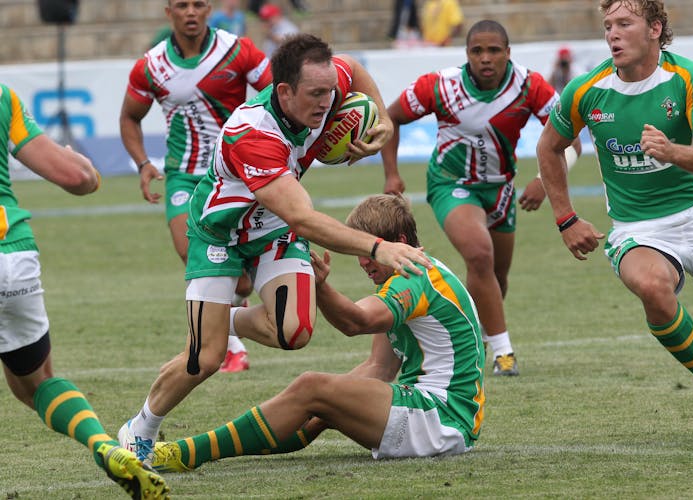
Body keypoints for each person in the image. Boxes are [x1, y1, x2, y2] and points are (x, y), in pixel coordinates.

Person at [119, 33, 432, 465]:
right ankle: (140, 428)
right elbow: (304, 218)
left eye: (329, 92)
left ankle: (223, 320)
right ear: (284, 92)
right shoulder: (253, 133)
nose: (327, 103)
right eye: (316, 94)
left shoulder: (328, 82)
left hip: (273, 229)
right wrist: (378, 247)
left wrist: (381, 116)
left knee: (294, 333)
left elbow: (353, 71)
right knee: (204, 360)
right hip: (220, 233)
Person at [146, 193, 485, 471]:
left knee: (312, 386)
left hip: (442, 418)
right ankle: (186, 452)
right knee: (318, 400)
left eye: (372, 252)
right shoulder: (411, 277)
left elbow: (357, 322)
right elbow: (378, 369)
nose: (365, 262)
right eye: (362, 253)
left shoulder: (416, 277)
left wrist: (320, 287)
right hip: (437, 416)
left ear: (399, 242)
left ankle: (184, 453)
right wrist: (322, 399)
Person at [536, 0, 693, 430]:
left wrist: (673, 152)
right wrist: (566, 218)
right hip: (638, 229)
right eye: (608, 25)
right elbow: (548, 147)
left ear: (655, 28)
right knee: (653, 286)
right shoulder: (586, 90)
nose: (612, 34)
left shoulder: (689, 78)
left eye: (624, 24)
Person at [381, 19, 580, 376]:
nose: (485, 58)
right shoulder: (440, 86)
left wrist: (542, 180)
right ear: (466, 54)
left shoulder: (530, 85)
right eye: (477, 51)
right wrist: (391, 173)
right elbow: (390, 118)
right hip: (450, 184)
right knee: (478, 254)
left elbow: (572, 141)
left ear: (508, 53)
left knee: (495, 276)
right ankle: (503, 354)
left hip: (501, 190)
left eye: (493, 51)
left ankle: (475, 335)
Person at [0, 84, 169, 499]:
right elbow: (77, 178)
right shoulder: (3, 97)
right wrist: (84, 166)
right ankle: (105, 447)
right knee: (35, 383)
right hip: (11, 255)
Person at [120, 0, 273, 373]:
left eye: (198, 4)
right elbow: (129, 116)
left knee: (238, 283)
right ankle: (230, 346)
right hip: (184, 176)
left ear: (209, 9)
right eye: (182, 5)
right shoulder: (151, 66)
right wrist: (143, 163)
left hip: (234, 172)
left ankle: (233, 317)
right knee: (193, 257)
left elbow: (280, 93)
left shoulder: (238, 51)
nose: (191, 12)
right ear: (168, 10)